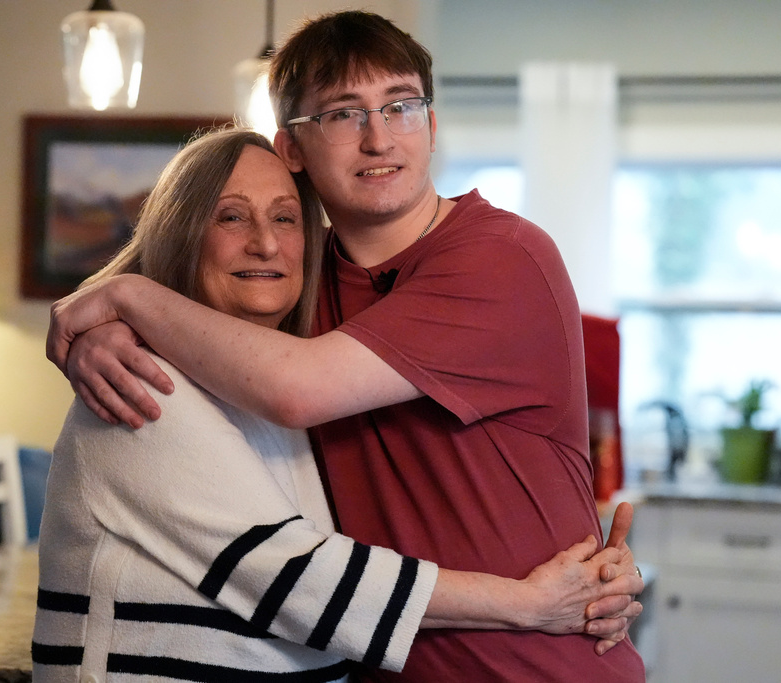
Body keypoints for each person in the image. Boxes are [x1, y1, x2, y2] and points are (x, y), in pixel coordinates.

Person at [45, 11, 647, 682]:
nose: (379, 137)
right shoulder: (301, 282)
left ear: (433, 125)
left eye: (401, 106)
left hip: (535, 666)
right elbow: (208, 295)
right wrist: (96, 333)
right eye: (343, 114)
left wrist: (123, 300)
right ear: (294, 149)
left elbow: (295, 388)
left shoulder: (501, 257)